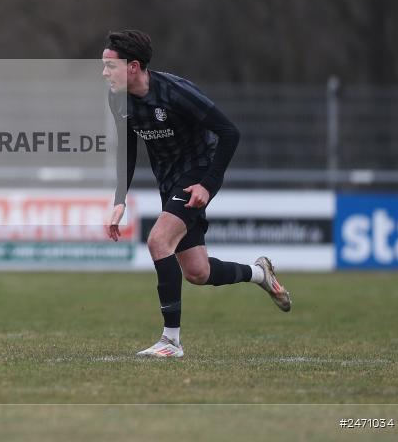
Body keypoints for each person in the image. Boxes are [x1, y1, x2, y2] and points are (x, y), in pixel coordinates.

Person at [103, 29, 290, 358]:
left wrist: (207, 183)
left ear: (133, 67)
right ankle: (261, 273)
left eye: (109, 66)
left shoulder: (176, 93)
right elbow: (127, 150)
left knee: (158, 241)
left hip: (197, 175)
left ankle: (171, 342)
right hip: (169, 181)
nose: (104, 73)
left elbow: (230, 132)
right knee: (197, 272)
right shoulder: (118, 99)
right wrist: (119, 201)